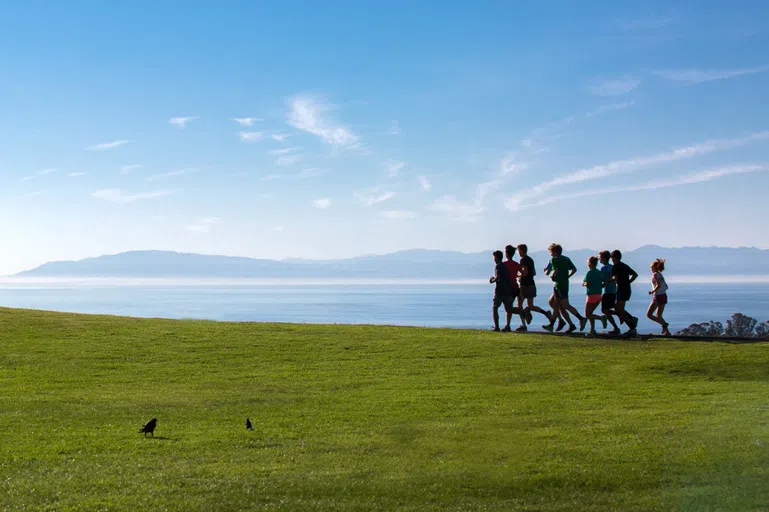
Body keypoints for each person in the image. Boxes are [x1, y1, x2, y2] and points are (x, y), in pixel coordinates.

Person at [542, 243, 587, 334]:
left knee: (561, 305)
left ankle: (580, 319)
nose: (550, 254)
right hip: (564, 284)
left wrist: (551, 274)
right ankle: (570, 324)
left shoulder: (554, 260)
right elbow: (574, 269)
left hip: (558, 285)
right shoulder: (566, 259)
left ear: (554, 252)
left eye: (550, 252)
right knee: (553, 303)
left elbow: (552, 271)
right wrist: (567, 276)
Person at [516, 244, 552, 331]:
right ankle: (546, 313)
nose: (518, 253)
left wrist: (518, 275)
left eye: (518, 251)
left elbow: (525, 273)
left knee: (519, 305)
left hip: (524, 285)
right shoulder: (530, 259)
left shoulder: (523, 260)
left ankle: (523, 325)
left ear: (521, 250)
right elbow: (534, 273)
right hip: (531, 284)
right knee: (531, 305)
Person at [610, 250, 639, 336]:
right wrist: (628, 282)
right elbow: (635, 274)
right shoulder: (624, 266)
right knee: (617, 308)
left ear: (614, 258)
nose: (612, 260)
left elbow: (615, 277)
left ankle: (632, 329)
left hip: (621, 289)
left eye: (612, 258)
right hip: (626, 289)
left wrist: (607, 281)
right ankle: (632, 319)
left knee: (619, 310)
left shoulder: (615, 267)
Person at [489, 250, 516, 332]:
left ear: (496, 257)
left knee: (495, 308)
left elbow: (498, 277)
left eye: (494, 257)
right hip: (507, 291)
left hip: (500, 291)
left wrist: (492, 280)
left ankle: (497, 327)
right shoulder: (505, 266)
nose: (494, 259)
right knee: (509, 309)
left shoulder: (498, 266)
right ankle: (523, 312)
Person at [503, 245, 529, 331]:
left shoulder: (503, 264)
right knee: (511, 307)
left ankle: (509, 324)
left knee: (508, 309)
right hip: (515, 288)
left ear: (506, 254)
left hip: (508, 289)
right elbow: (524, 274)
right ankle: (510, 325)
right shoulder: (516, 264)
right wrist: (517, 275)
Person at [582, 256, 608, 336]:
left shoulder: (589, 273)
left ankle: (601, 318)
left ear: (590, 263)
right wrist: (601, 286)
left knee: (587, 314)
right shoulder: (599, 272)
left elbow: (587, 283)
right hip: (599, 295)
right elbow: (605, 282)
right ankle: (592, 329)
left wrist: (584, 284)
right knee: (591, 313)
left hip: (591, 295)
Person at [599, 250, 621, 335]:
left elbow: (603, 281)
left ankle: (616, 327)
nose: (599, 259)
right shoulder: (612, 267)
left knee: (605, 310)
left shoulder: (604, 268)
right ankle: (623, 318)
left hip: (608, 292)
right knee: (607, 310)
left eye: (600, 257)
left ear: (604, 258)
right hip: (613, 291)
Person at [647, 258, 671, 336]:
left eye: (651, 267)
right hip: (664, 296)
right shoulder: (660, 275)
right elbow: (666, 286)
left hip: (657, 296)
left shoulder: (655, 275)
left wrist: (652, 291)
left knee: (649, 315)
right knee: (659, 315)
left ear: (654, 267)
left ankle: (664, 324)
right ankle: (667, 332)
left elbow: (658, 285)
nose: (650, 269)